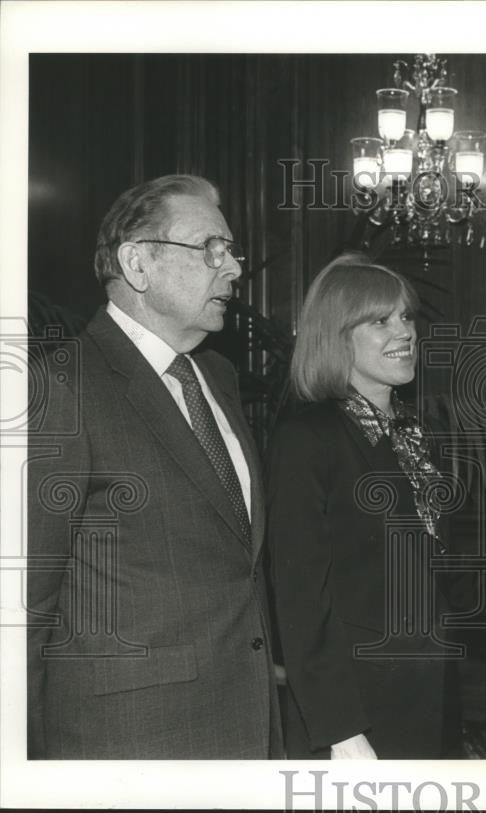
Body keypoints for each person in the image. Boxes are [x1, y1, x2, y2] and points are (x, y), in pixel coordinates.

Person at [27, 174, 281, 758]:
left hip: (243, 730)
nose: (234, 268)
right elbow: (22, 612)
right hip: (126, 746)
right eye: (210, 248)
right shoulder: (59, 389)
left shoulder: (217, 377)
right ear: (137, 264)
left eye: (232, 250)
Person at [268, 259, 459, 759]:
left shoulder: (418, 436)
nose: (405, 332)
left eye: (406, 317)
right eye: (381, 321)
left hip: (430, 699)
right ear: (336, 335)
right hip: (353, 715)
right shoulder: (306, 438)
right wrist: (340, 729)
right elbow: (301, 598)